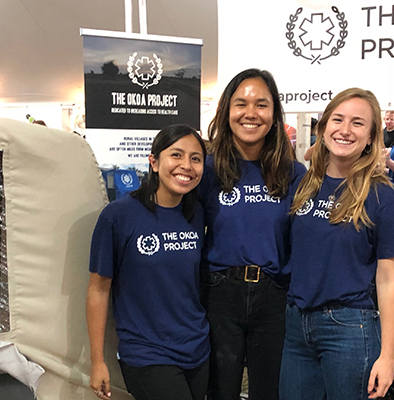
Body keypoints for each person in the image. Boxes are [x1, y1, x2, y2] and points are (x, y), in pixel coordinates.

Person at [280, 88, 394, 400]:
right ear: (323, 129)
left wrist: (387, 356)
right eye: (338, 119)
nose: (345, 130)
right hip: (297, 325)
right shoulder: (302, 184)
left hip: (349, 328)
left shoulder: (385, 197)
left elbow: (390, 280)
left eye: (358, 123)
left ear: (371, 136)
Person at [200, 68, 306, 400]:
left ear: (274, 115)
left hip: (274, 296)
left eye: (261, 104)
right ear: (226, 112)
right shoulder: (206, 169)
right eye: (241, 103)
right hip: (220, 294)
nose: (250, 113)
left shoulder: (292, 173)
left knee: (270, 392)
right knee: (221, 390)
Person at [87, 125, 210, 400]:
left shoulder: (196, 213)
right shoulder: (118, 216)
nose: (186, 166)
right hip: (147, 353)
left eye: (195, 159)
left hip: (197, 348)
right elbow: (98, 288)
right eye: (176, 155)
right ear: (154, 162)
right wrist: (98, 362)